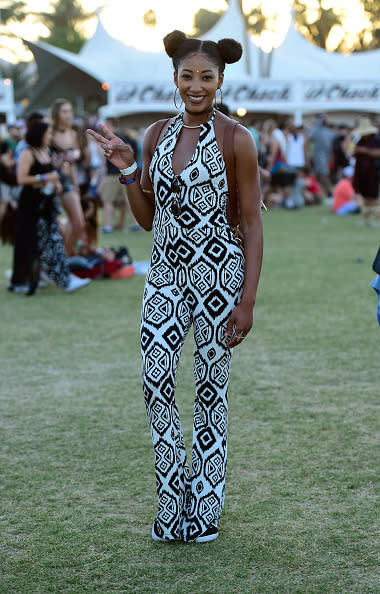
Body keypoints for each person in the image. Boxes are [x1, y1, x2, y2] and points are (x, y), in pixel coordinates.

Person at [88, 29, 263, 543]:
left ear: (221, 80)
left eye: (206, 77)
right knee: (156, 385)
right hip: (163, 274)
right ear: (175, 78)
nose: (196, 85)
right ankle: (172, 502)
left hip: (218, 278)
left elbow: (251, 223)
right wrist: (127, 170)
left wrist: (247, 299)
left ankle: (204, 509)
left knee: (211, 392)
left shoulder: (237, 139)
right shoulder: (156, 135)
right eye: (188, 76)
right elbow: (146, 218)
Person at [9, 120, 90, 295]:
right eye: (48, 134)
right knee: (29, 244)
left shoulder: (44, 151)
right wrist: (46, 177)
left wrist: (56, 181)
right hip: (31, 206)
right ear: (39, 135)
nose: (50, 137)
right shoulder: (27, 152)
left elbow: (51, 174)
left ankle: (62, 278)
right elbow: (21, 179)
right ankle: (24, 280)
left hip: (46, 205)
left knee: (53, 241)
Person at [50, 98, 85, 256]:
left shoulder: (73, 133)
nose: (68, 114)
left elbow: (74, 160)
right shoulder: (49, 133)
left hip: (68, 180)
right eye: (64, 111)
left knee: (78, 223)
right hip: (49, 181)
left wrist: (75, 183)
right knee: (55, 226)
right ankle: (58, 262)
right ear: (56, 113)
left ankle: (65, 258)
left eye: (70, 111)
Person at [352, 117, 380, 226]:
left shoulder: (376, 140)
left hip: (373, 172)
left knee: (374, 197)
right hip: (362, 172)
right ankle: (366, 220)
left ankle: (378, 219)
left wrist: (364, 151)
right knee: (365, 197)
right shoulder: (360, 140)